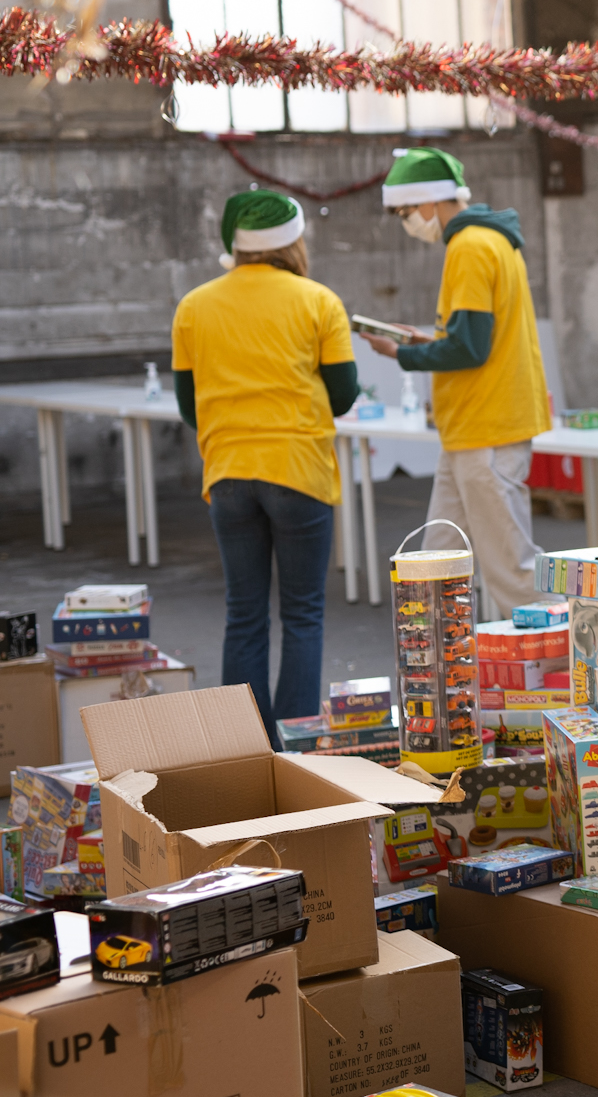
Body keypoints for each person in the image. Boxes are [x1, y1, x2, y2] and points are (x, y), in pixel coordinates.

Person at [172, 190, 358, 743]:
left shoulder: (194, 306)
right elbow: (344, 395)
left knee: (244, 615)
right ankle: (296, 747)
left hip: (228, 474)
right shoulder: (320, 301)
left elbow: (189, 405)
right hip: (299, 471)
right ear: (293, 241)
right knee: (302, 616)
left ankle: (246, 747)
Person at [364, 147, 550, 621]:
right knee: (436, 563)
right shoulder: (491, 241)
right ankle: (442, 671)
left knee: (511, 574)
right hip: (474, 429)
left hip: (485, 429)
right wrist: (433, 340)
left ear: (429, 202)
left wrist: (401, 353)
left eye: (407, 212)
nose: (409, 222)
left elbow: (470, 349)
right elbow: (473, 335)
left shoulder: (468, 247)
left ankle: (542, 679)